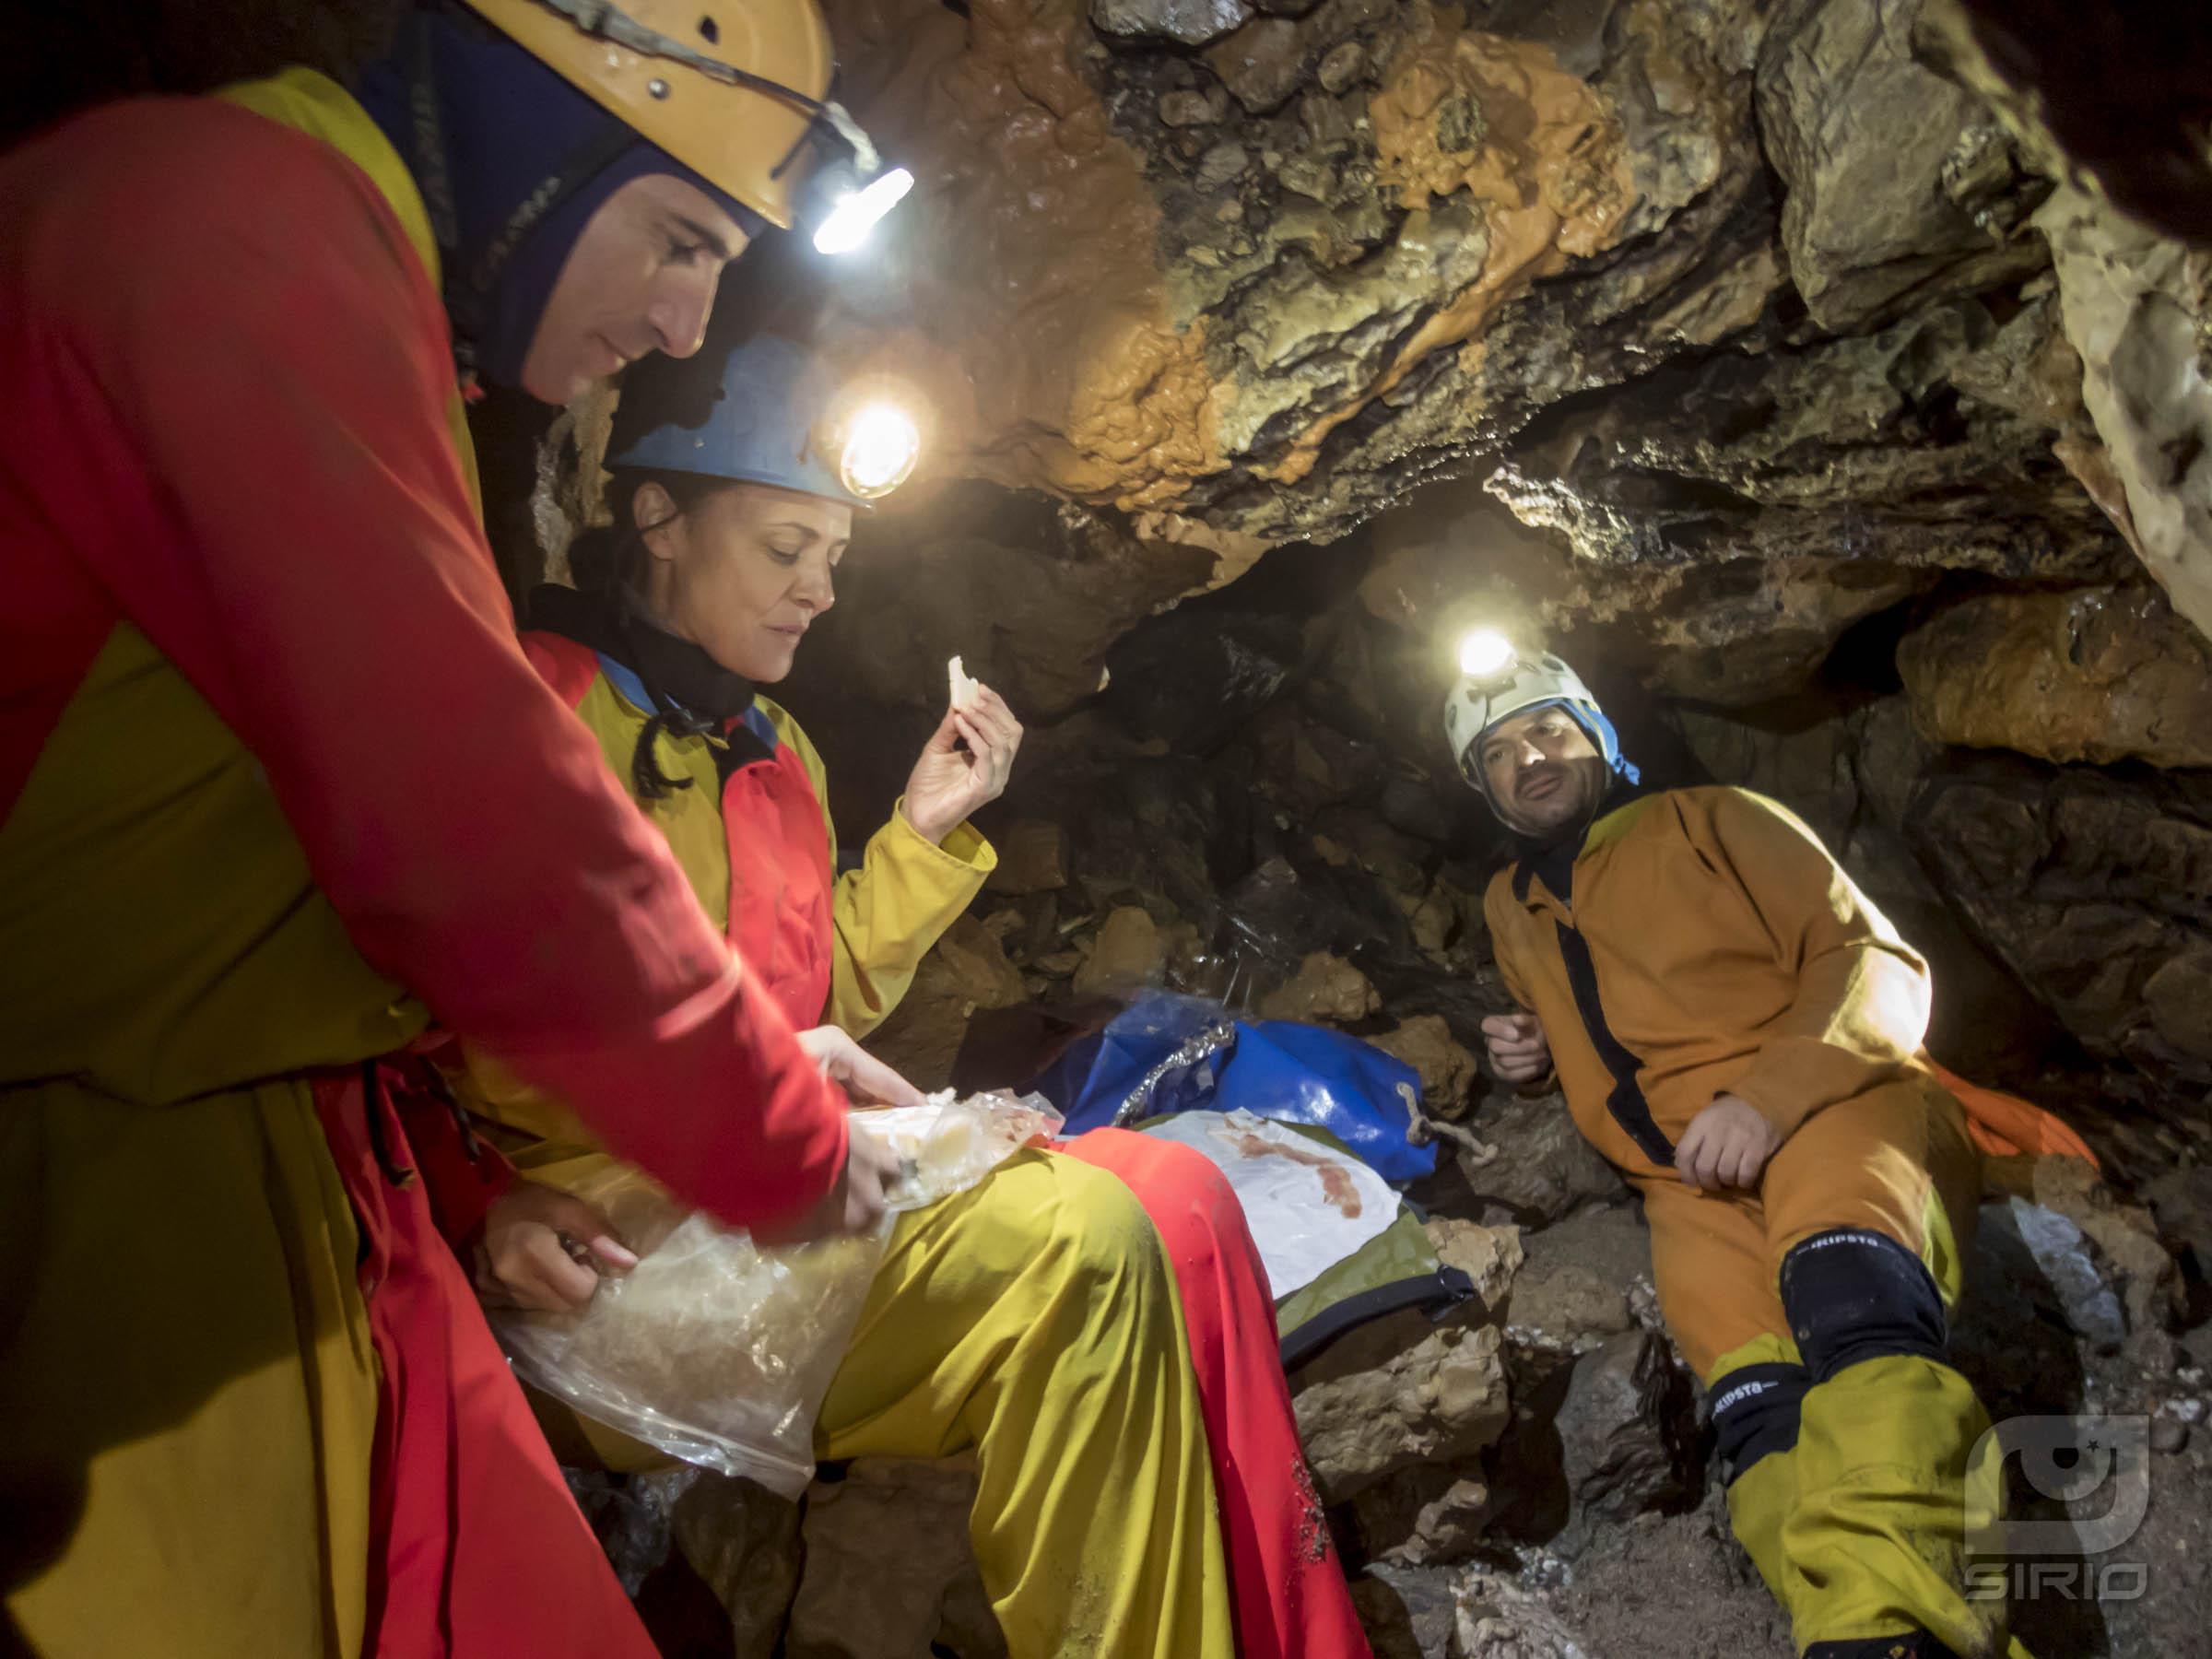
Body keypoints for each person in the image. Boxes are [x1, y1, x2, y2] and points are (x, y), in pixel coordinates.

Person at [0, 2, 918, 1653]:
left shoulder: (322, 267)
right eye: (679, 239)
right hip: (96, 1161)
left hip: (287, 1149)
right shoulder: (235, 228)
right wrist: (772, 1127)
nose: (683, 313)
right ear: (544, 126)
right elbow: (471, 820)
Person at [467, 331, 1371, 1659]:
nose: (822, 590)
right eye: (787, 549)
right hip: (598, 1246)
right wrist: (471, 1198)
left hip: (748, 1190)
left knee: (1179, 1200)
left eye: (834, 555)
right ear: (656, 515)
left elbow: (810, 991)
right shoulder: (528, 713)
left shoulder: (773, 750)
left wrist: (923, 833)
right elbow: (389, 1010)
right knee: (1087, 1250)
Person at [1444, 648, 2033, 1659]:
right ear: (1484, 787)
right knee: (1761, 1416)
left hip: (1832, 1107)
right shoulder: (1512, 907)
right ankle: (1849, 1630)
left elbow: (1873, 961)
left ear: (1597, 735)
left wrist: (1768, 1100)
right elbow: (1610, 1022)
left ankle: (1909, 1633)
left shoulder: (1718, 820)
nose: (1527, 758)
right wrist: (1540, 1060)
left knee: (1854, 1312)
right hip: (1686, 1190)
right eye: (1496, 751)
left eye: (1547, 728)